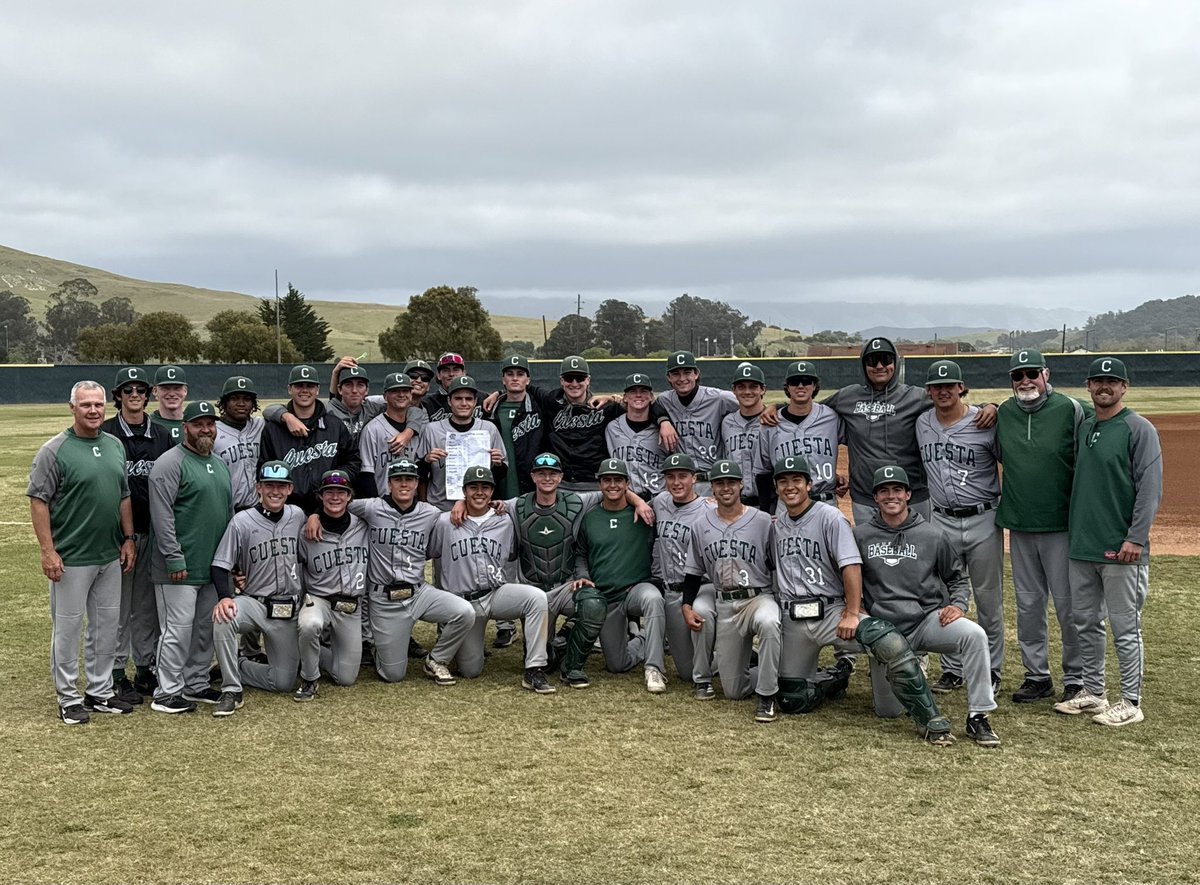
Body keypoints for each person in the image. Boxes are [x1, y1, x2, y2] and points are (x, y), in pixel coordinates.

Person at [854, 465, 1000, 747]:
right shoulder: (860, 535)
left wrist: (958, 604)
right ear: (875, 498)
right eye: (884, 490)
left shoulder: (932, 535)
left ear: (908, 494)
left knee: (975, 636)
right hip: (883, 632)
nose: (891, 495)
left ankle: (979, 715)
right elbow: (847, 578)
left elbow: (956, 576)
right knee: (888, 712)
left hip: (925, 622)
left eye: (897, 489)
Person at [1055, 358, 1162, 726]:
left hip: (1122, 550)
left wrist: (1136, 537)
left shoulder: (1138, 428)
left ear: (1124, 387)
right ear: (1088, 386)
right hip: (1083, 545)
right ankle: (1094, 692)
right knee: (1085, 621)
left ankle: (1131, 701)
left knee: (1124, 628)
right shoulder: (1086, 427)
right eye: (1099, 381)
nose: (1105, 387)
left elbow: (1150, 490)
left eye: (1112, 381)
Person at [306, 458, 475, 684]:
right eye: (398, 479)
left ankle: (437, 659)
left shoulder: (430, 512)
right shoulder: (371, 507)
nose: (404, 484)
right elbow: (336, 505)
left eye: (409, 479)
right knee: (393, 675)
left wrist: (462, 502)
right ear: (389, 483)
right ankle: (379, 647)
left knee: (464, 611)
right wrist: (315, 515)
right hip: (385, 601)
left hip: (419, 593)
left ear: (417, 484)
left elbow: (462, 513)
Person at [29, 380, 137, 724]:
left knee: (106, 627)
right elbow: (38, 501)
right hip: (71, 558)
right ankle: (68, 697)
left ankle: (100, 692)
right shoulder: (54, 449)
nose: (93, 410)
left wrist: (128, 537)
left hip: (108, 555)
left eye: (98, 405)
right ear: (72, 407)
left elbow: (122, 495)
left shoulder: (114, 445)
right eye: (86, 405)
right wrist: (48, 551)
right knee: (68, 628)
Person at [994, 348, 1090, 704]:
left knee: (1068, 605)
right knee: (1029, 605)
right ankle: (1037, 676)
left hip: (1061, 525)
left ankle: (1076, 677)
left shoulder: (1071, 409)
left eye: (1031, 373)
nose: (1025, 381)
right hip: (1019, 524)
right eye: (1017, 376)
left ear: (1046, 375)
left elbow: (1108, 424)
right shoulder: (1004, 412)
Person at [820, 338, 995, 525]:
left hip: (912, 496)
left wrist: (991, 406)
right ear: (863, 365)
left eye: (886, 360)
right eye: (872, 361)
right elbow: (813, 414)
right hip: (865, 497)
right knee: (871, 551)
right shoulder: (848, 396)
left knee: (918, 551)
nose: (880, 366)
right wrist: (783, 414)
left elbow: (956, 406)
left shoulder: (915, 397)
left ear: (895, 362)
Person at [914, 360, 1004, 695]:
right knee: (944, 596)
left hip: (984, 517)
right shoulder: (922, 422)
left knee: (988, 599)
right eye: (937, 387)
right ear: (928, 392)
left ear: (961, 387)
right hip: (942, 520)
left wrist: (996, 406)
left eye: (949, 386)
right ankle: (952, 669)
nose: (943, 391)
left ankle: (992, 669)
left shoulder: (984, 420)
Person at [431, 465, 555, 693]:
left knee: (536, 598)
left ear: (492, 492)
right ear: (464, 491)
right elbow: (433, 555)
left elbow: (511, 553)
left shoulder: (504, 520)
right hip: (464, 604)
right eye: (473, 487)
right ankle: (456, 643)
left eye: (485, 487)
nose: (479, 492)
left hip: (495, 593)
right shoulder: (445, 522)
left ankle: (535, 668)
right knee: (471, 670)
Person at [678, 459, 780, 722]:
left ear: (740, 485)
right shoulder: (701, 524)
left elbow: (776, 564)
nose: (726, 488)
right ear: (712, 487)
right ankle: (778, 671)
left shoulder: (762, 521)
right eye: (720, 483)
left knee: (769, 622)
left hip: (758, 597)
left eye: (731, 482)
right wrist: (687, 605)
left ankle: (767, 696)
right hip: (725, 603)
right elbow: (693, 571)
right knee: (734, 691)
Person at [147, 401, 233, 714]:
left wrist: (228, 561)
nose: (206, 429)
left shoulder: (219, 462)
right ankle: (167, 692)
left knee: (205, 630)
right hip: (179, 568)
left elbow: (228, 514)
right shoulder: (170, 463)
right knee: (176, 630)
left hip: (212, 567)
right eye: (199, 424)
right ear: (186, 427)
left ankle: (195, 684)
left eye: (210, 424)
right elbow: (162, 516)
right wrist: (174, 558)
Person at [210, 461, 306, 717]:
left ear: (290, 489)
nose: (275, 491)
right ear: (258, 488)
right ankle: (231, 689)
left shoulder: (298, 516)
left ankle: (238, 664)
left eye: (281, 486)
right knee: (224, 617)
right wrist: (223, 597)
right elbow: (220, 565)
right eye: (269, 486)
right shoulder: (241, 521)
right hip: (254, 602)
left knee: (283, 683)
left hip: (289, 608)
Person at [100, 367, 173, 703]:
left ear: (148, 395)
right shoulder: (106, 433)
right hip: (118, 536)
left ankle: (144, 666)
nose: (134, 396)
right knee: (116, 606)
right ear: (118, 396)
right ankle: (115, 672)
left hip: (153, 532)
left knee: (145, 607)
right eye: (127, 390)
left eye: (140, 390)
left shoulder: (161, 435)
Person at [564, 459, 666, 692]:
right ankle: (644, 638)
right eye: (607, 480)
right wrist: (582, 575)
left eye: (618, 480)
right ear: (599, 484)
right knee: (617, 665)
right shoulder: (590, 518)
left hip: (635, 589)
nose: (612, 485)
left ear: (627, 484)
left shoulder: (644, 514)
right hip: (605, 596)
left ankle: (654, 668)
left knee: (653, 599)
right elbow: (580, 554)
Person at [769, 455, 860, 709]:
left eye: (797, 480)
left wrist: (853, 611)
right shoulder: (777, 526)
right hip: (794, 617)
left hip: (831, 610)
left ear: (809, 485)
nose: (790, 487)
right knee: (792, 700)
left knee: (885, 643)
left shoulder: (831, 517)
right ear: (776, 488)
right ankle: (830, 679)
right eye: (783, 482)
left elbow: (851, 565)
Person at [296, 470, 371, 696]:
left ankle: (303, 652)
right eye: (329, 492)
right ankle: (309, 679)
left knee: (346, 678)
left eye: (341, 492)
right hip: (319, 600)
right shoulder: (307, 531)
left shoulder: (364, 525)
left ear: (350, 496)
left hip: (351, 606)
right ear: (320, 496)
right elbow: (296, 568)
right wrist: (313, 516)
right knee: (309, 625)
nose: (335, 497)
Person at [258, 364, 360, 514]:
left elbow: (353, 461)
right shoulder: (273, 429)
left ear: (317, 390)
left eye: (310, 386)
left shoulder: (334, 425)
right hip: (286, 511)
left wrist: (334, 481)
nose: (305, 390)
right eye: (299, 385)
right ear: (289, 389)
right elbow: (264, 469)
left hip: (328, 509)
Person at [650, 453, 714, 691]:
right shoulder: (660, 501)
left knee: (701, 612)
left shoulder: (709, 508)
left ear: (694, 478)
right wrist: (637, 502)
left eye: (683, 476)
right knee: (687, 672)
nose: (676, 482)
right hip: (671, 592)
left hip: (701, 589)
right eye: (670, 477)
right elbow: (624, 495)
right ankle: (736, 657)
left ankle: (733, 658)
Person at [754, 360, 843, 512]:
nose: (801, 386)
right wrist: (766, 511)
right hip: (786, 506)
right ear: (787, 387)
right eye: (795, 382)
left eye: (807, 381)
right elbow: (763, 472)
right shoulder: (770, 423)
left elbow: (858, 443)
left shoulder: (831, 417)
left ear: (814, 386)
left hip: (825, 502)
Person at [658, 350, 739, 494]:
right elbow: (641, 404)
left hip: (714, 481)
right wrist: (663, 421)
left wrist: (773, 407)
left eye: (687, 372)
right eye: (676, 373)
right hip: (682, 484)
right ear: (668, 377)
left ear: (696, 374)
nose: (682, 378)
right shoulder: (664, 401)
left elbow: (752, 404)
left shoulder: (719, 398)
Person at [421, 376, 506, 510]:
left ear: (475, 401)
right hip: (440, 506)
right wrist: (426, 461)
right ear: (449, 401)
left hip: (478, 506)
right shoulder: (432, 429)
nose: (464, 403)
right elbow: (419, 474)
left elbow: (500, 474)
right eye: (458, 398)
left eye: (469, 398)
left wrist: (498, 464)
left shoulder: (489, 429)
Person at [486, 355, 546, 499]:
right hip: (499, 484)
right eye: (509, 374)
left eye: (520, 374)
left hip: (532, 486)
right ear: (503, 380)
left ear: (528, 380)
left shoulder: (541, 406)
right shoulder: (490, 410)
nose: (515, 378)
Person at [358, 373, 425, 497]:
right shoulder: (372, 429)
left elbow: (422, 468)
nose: (401, 395)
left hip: (412, 503)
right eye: (395, 391)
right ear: (385, 396)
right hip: (383, 500)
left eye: (405, 390)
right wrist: (375, 504)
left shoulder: (418, 429)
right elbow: (366, 474)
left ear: (411, 395)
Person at [605, 373, 667, 499]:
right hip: (624, 498)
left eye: (643, 391)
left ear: (651, 397)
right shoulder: (611, 428)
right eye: (633, 391)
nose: (638, 395)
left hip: (658, 496)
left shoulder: (664, 430)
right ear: (625, 398)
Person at [213, 375, 266, 512]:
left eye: (247, 399)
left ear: (253, 403)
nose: (241, 403)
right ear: (224, 402)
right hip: (225, 510)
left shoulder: (260, 425)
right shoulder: (212, 430)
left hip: (256, 509)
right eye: (234, 398)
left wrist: (286, 416)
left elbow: (276, 410)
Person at [720, 363, 767, 505]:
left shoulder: (773, 420)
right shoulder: (726, 422)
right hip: (734, 504)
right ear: (733, 390)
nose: (747, 392)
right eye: (741, 387)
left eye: (753, 386)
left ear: (763, 390)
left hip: (766, 502)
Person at [149, 364, 187, 444]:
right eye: (165, 388)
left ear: (185, 391)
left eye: (177, 388)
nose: (172, 394)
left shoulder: (195, 423)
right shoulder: (147, 425)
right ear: (155, 391)